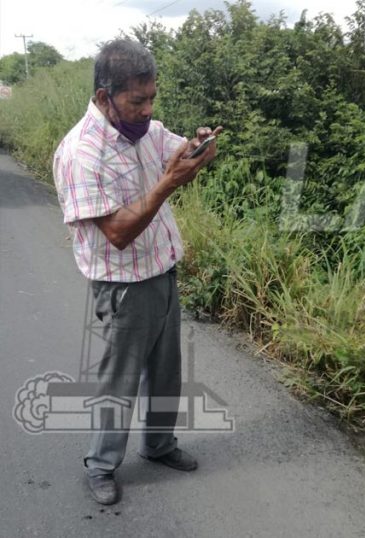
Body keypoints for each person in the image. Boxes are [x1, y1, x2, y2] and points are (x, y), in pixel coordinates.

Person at [52, 39, 222, 506]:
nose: (148, 110)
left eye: (152, 98)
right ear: (105, 97)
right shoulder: (81, 154)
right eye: (136, 100)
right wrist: (169, 183)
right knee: (120, 380)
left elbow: (176, 150)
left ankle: (158, 445)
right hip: (123, 286)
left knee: (166, 372)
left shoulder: (145, 129)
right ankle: (101, 465)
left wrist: (197, 149)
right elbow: (119, 233)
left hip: (163, 272)